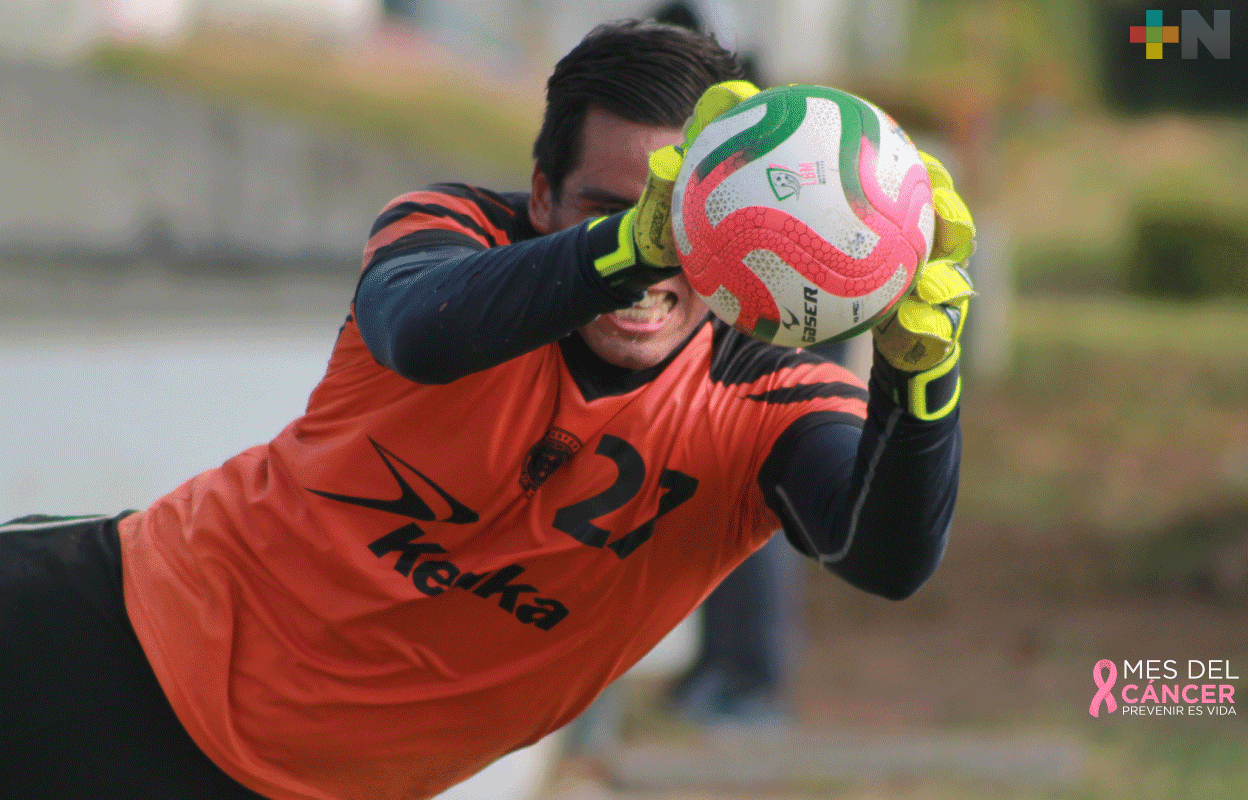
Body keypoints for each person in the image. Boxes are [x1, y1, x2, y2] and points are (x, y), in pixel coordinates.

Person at [0, 19, 974, 800]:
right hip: (102, 634)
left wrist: (918, 387)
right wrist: (635, 242)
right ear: (541, 195)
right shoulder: (457, 231)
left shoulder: (763, 394)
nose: (663, 261)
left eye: (696, 226)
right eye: (619, 209)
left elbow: (884, 557)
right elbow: (421, 331)